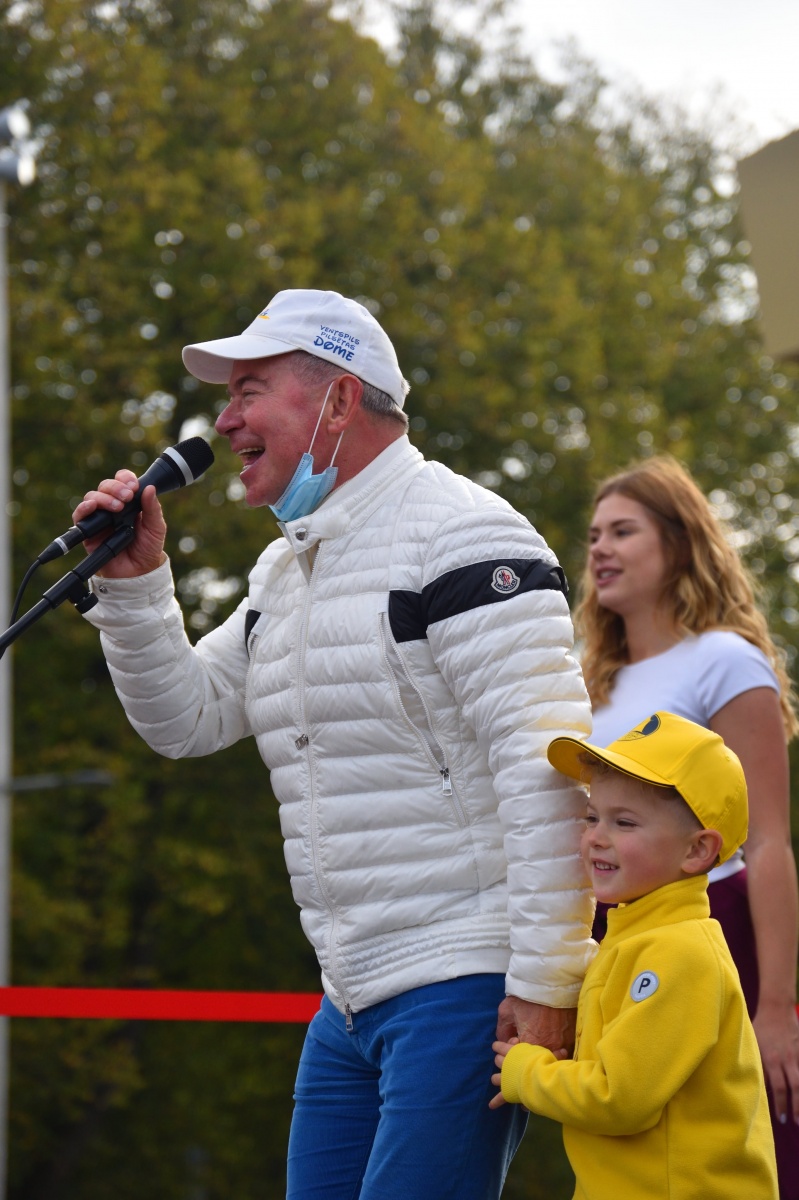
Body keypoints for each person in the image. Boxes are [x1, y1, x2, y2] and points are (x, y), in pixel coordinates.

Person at [72, 288, 594, 1199]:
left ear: (340, 400)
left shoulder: (466, 532)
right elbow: (185, 720)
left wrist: (547, 982)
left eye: (249, 391)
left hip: (463, 977)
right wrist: (134, 586)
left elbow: (544, 768)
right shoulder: (285, 568)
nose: (224, 421)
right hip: (348, 996)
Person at [576, 455, 799, 1197]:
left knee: (731, 1142)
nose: (600, 549)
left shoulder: (723, 661)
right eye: (593, 535)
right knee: (627, 1139)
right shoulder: (591, 678)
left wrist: (776, 1008)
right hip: (610, 933)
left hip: (713, 926)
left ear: (678, 543)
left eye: (623, 531)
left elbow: (767, 840)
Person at [491, 710, 779, 1200]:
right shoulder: (637, 939)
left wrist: (528, 1073)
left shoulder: (678, 953)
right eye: (592, 817)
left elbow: (619, 1098)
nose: (596, 837)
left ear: (697, 851)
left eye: (624, 822)